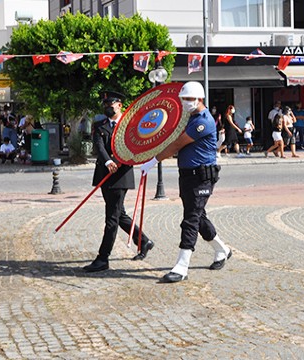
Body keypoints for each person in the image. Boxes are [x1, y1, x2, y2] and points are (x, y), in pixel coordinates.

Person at [140, 82, 230, 283]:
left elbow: (177, 144)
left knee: (190, 219)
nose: (185, 103)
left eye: (189, 99)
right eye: (183, 100)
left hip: (201, 177)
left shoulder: (203, 121)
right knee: (199, 217)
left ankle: (182, 266)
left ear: (200, 99)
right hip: (188, 176)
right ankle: (222, 249)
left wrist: (154, 161)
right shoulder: (191, 118)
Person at [82, 91, 155, 273]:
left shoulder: (130, 126)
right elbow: (98, 145)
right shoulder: (100, 125)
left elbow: (136, 147)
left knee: (111, 218)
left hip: (120, 176)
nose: (107, 107)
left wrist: (120, 160)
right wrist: (108, 161)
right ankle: (144, 241)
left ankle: (103, 258)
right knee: (119, 214)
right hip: (104, 174)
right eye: (105, 104)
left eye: (111, 104)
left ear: (120, 105)